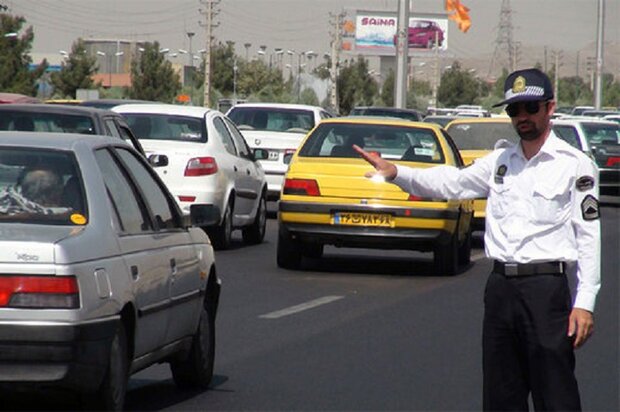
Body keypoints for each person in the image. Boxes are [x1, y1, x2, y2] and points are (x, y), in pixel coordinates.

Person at [354, 68, 600, 411]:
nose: (522, 117)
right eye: (514, 110)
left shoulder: (575, 165)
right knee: (501, 395)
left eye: (530, 107)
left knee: (555, 394)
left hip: (546, 289)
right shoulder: (500, 162)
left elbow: (588, 235)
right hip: (501, 289)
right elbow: (451, 183)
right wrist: (397, 173)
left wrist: (584, 301)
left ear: (550, 108)